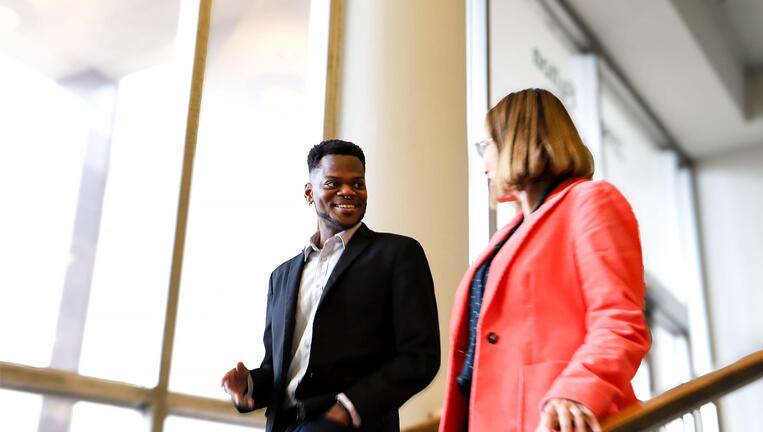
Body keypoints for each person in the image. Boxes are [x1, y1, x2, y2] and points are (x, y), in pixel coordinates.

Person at [440, 89, 651, 432]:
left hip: (555, 418)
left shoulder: (590, 202)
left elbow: (619, 322)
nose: (484, 165)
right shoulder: (508, 235)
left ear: (515, 142)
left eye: (486, 147)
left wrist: (577, 391)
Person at [222, 140, 441, 432]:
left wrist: (349, 408)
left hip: (352, 425)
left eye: (358, 183)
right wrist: (247, 385)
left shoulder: (398, 254)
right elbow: (278, 369)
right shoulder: (281, 277)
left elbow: (420, 356)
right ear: (309, 193)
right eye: (333, 183)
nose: (348, 191)